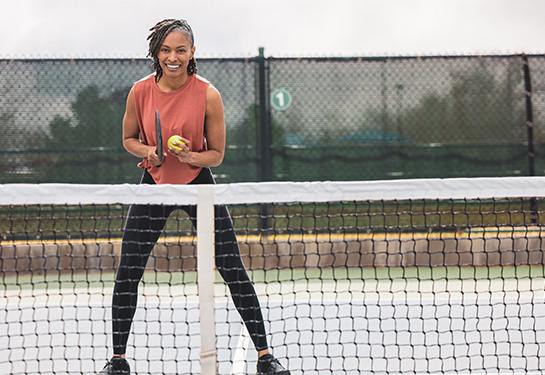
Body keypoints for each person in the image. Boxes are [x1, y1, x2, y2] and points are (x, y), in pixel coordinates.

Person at [99, 19, 290, 375]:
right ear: (156, 53)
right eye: (166, 50)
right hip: (153, 182)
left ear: (192, 53)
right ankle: (118, 360)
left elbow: (217, 154)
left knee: (233, 269)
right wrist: (149, 151)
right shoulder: (139, 91)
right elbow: (128, 139)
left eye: (180, 50)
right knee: (127, 272)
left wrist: (190, 157)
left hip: (198, 182)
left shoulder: (208, 94)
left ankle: (266, 357)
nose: (173, 57)